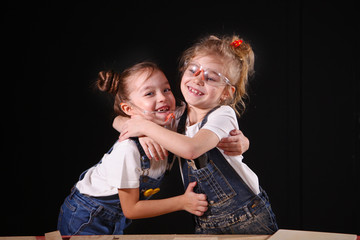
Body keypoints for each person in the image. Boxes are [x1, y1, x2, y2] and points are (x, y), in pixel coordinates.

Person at [119, 35, 278, 234]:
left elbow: (191, 149)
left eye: (211, 78)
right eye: (193, 70)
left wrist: (145, 127)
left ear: (226, 93)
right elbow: (118, 120)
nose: (198, 79)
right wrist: (142, 130)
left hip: (246, 216)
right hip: (206, 220)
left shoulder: (222, 115)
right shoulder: (177, 116)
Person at [57, 62, 209, 235]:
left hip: (116, 216)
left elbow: (208, 113)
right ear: (129, 109)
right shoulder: (128, 149)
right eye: (149, 93)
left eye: (166, 89)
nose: (162, 97)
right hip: (86, 215)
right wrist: (183, 202)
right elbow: (131, 209)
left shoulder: (171, 119)